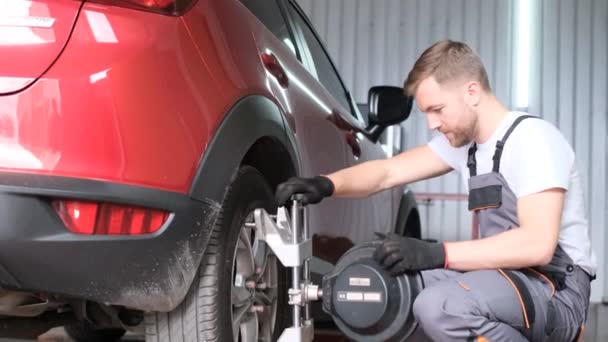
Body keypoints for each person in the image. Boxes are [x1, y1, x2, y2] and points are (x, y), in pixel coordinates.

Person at [275, 40, 596, 341]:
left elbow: (536, 245)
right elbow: (388, 172)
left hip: (556, 291)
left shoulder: (532, 140)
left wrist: (437, 253)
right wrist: (326, 184)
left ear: (472, 92)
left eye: (437, 109)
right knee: (393, 294)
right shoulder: (467, 147)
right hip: (505, 280)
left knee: (438, 307)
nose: (431, 124)